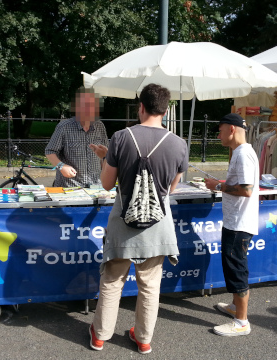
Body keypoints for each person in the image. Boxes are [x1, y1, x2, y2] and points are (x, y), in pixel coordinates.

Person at [89, 84, 188, 354]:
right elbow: (171, 189)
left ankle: (100, 336)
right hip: (158, 225)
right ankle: (143, 339)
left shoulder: (121, 137)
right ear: (166, 110)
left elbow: (108, 184)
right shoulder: (179, 144)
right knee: (150, 284)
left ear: (140, 107)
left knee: (112, 280)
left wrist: (105, 159)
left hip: (123, 222)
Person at [204, 113, 259, 337]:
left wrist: (218, 186)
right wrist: (222, 185)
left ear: (232, 129)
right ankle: (236, 307)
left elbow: (246, 190)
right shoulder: (242, 152)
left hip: (239, 224)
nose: (218, 135)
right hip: (236, 221)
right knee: (233, 266)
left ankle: (242, 321)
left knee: (236, 269)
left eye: (220, 130)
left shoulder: (243, 153)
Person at [45, 87, 109, 187]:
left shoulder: (100, 126)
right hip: (70, 187)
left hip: (96, 187)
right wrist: (61, 166)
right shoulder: (64, 126)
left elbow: (106, 156)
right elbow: (50, 151)